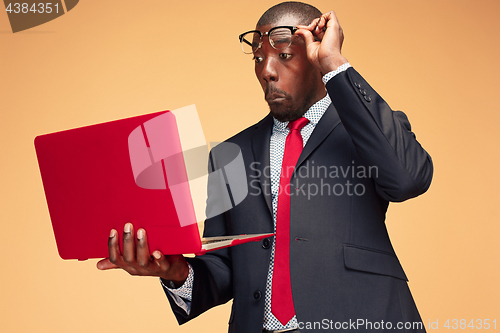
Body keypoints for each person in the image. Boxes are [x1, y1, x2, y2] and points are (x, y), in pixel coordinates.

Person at [97, 2, 433, 332]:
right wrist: (177, 272)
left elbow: (409, 179)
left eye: (284, 56)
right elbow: (224, 267)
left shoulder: (367, 129)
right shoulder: (231, 153)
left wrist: (335, 64)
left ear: (316, 56)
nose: (267, 71)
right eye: (259, 59)